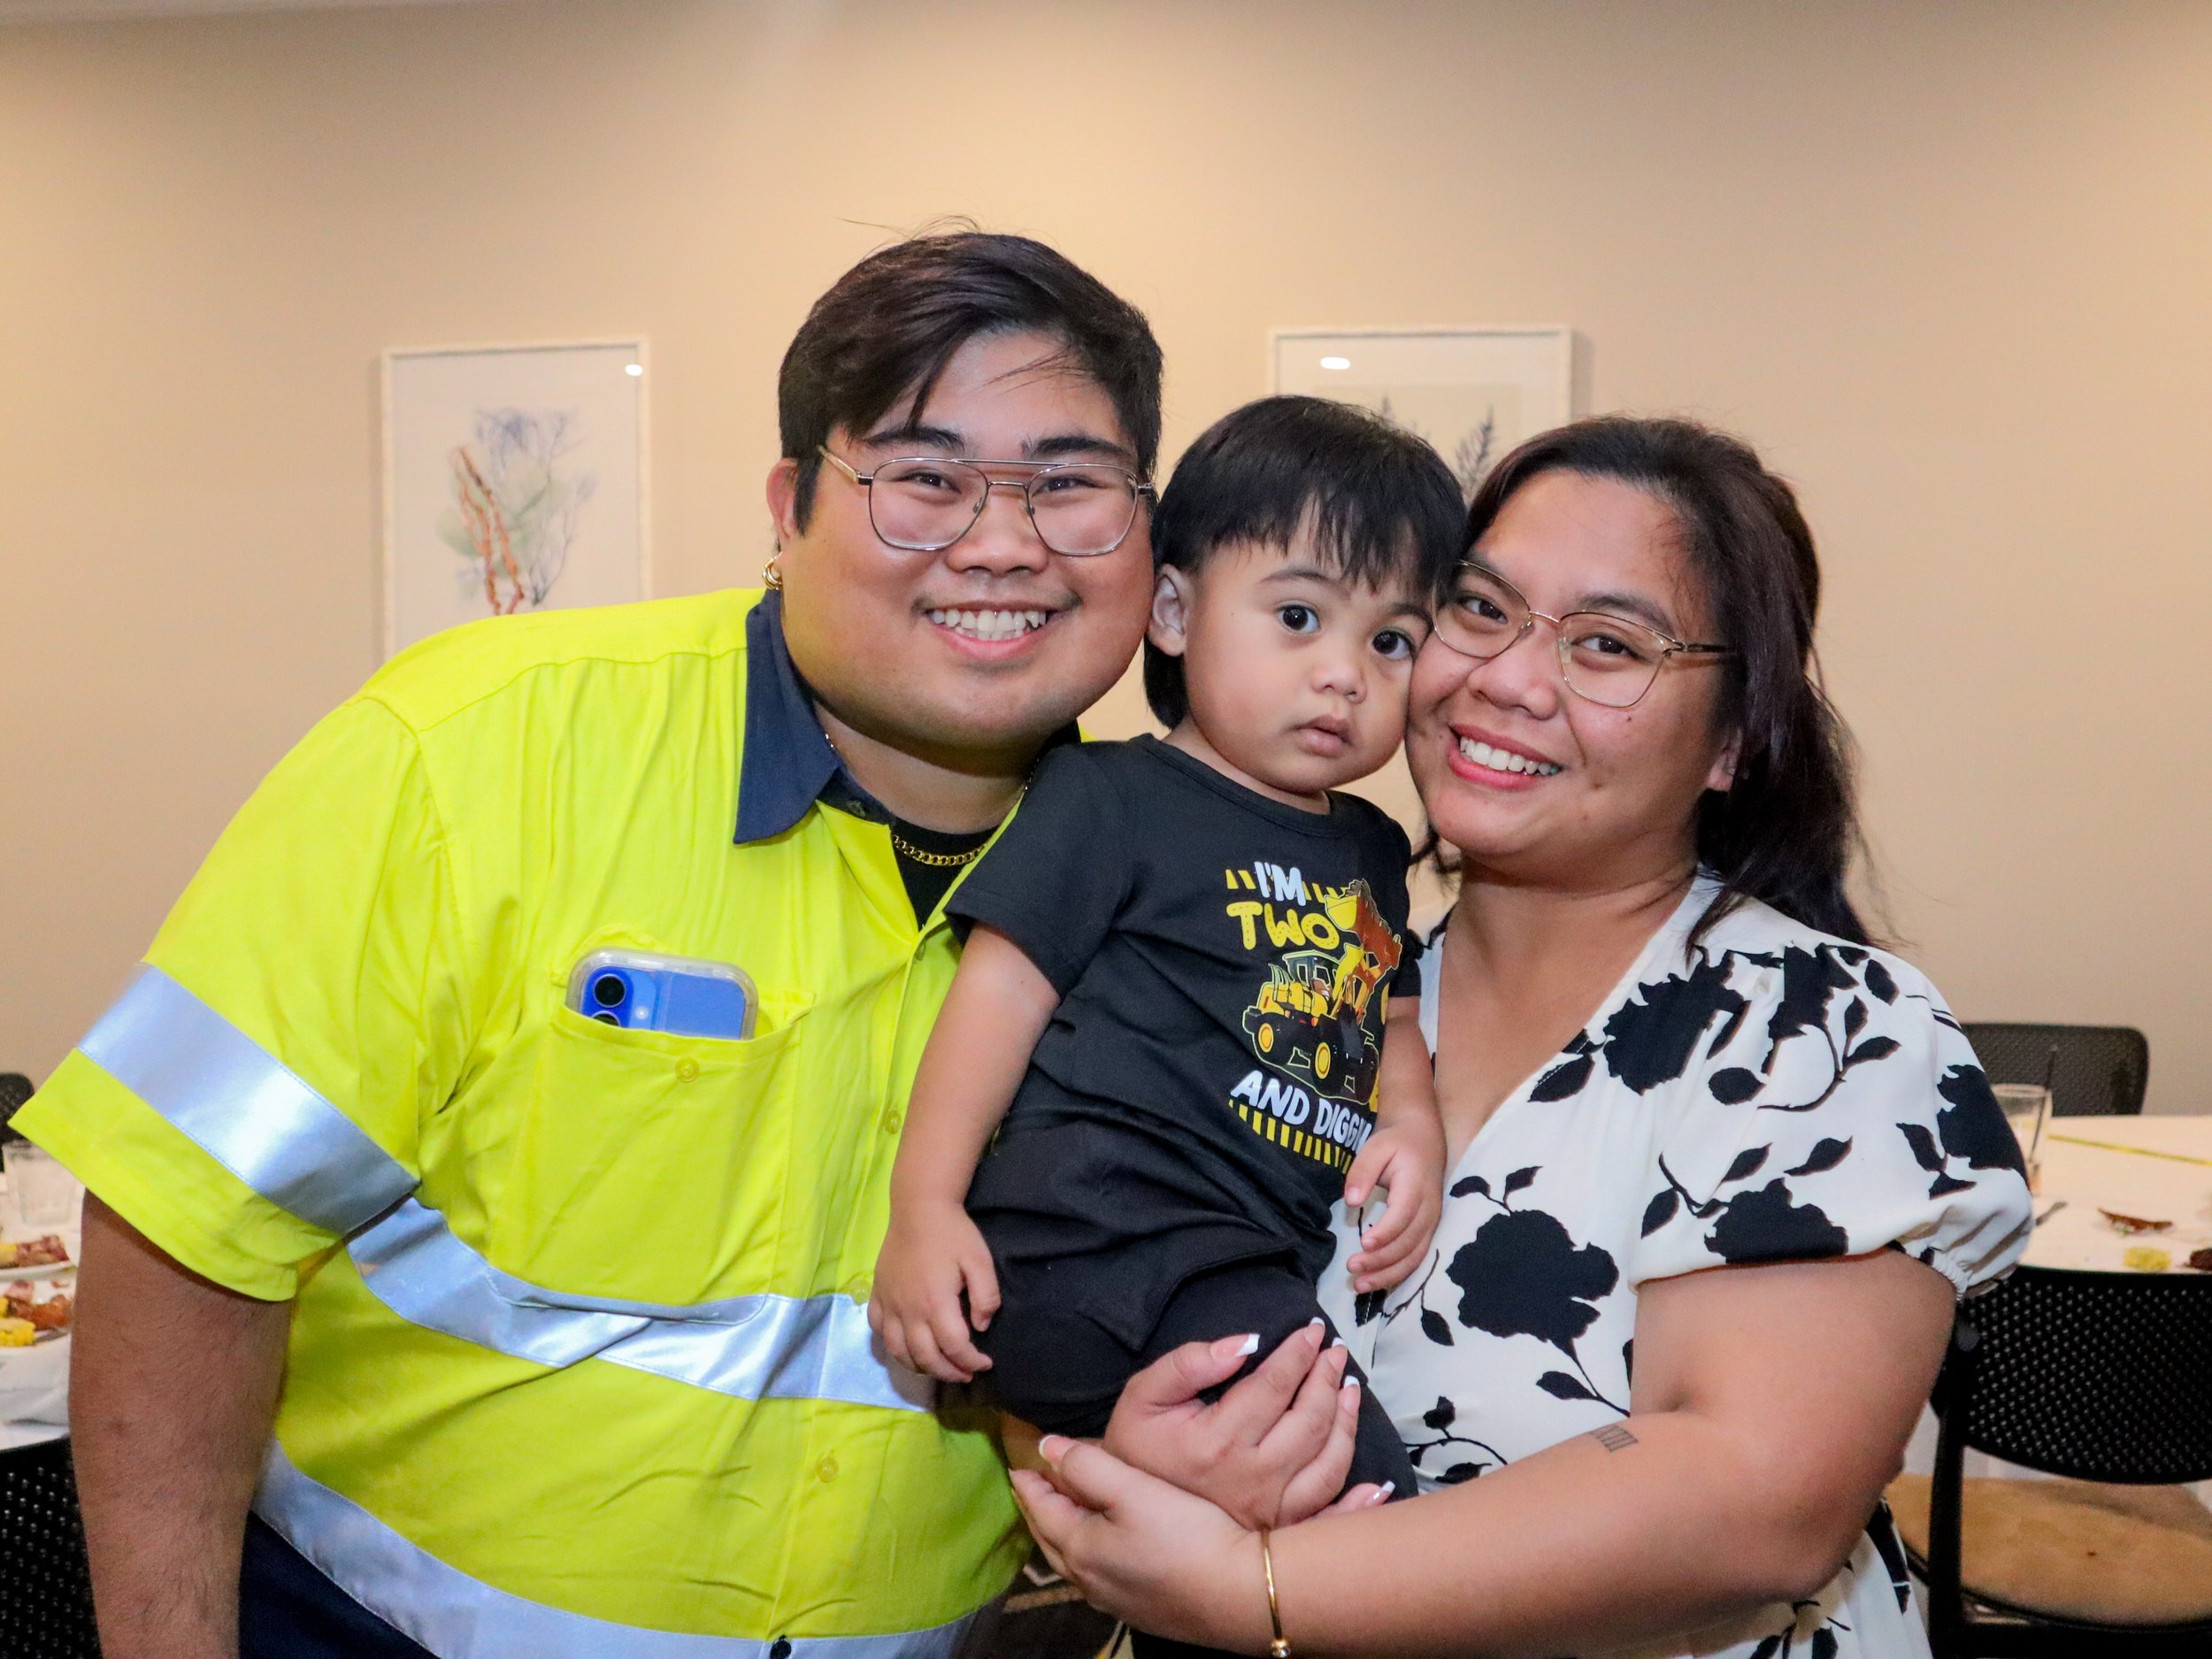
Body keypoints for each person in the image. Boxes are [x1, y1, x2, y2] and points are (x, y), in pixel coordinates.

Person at [16, 231, 1168, 1659]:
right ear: (789, 505)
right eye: (925, 478)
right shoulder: (470, 755)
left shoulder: (1177, 888)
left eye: (1069, 484)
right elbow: (185, 1236)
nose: (1002, 542)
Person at [1010, 416, 2036, 1659]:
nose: (1505, 676)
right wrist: (1131, 1443)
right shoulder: (1320, 977)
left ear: (1735, 739)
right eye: (1477, 608)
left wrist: (1261, 1583)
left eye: (1608, 643)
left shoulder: (1821, 1028)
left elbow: (1758, 1501)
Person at [870, 398, 1463, 1512]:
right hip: (1100, 1234)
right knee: (1366, 1509)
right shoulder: (1110, 796)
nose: (1345, 674)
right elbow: (997, 994)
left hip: (1246, 1261)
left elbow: (1384, 1015)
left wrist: (1411, 1121)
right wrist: (926, 1207)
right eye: (1298, 616)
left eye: (1390, 640)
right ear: (1176, 613)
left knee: (1254, 1545)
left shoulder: (1374, 848)